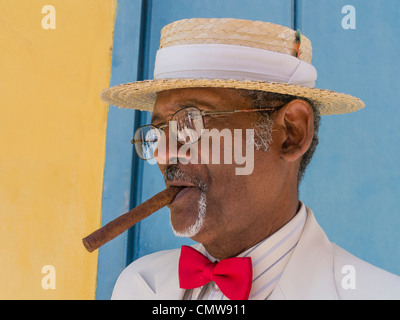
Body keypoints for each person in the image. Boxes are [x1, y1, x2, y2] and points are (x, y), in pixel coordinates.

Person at [100, 18, 400, 300]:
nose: (163, 154)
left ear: (291, 132)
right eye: (158, 131)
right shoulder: (139, 286)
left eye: (190, 122)